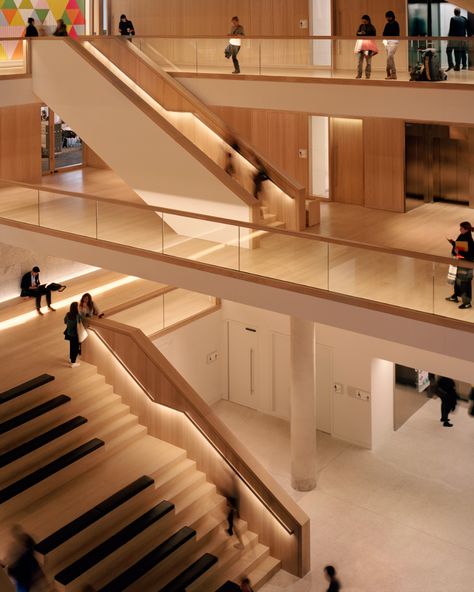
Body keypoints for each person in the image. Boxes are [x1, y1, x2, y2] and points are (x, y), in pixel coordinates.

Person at [3, 524, 46, 592]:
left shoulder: (15, 547)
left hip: (23, 575)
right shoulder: (24, 547)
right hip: (25, 575)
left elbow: (8, 562)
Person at [445, 221, 474, 309]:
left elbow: (470, 254)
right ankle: (455, 296)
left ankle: (467, 303)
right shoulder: (462, 236)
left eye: (461, 228)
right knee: (457, 280)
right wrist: (453, 243)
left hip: (466, 264)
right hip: (460, 262)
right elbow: (458, 246)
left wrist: (459, 251)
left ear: (466, 229)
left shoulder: (469, 239)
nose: (459, 229)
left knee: (465, 283)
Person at [355, 15, 377, 80]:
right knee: (359, 61)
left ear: (368, 20)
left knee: (368, 62)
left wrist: (365, 33)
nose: (363, 22)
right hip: (361, 45)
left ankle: (367, 75)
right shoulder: (361, 26)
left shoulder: (372, 27)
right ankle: (359, 75)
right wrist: (361, 33)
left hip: (368, 46)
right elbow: (357, 33)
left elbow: (374, 35)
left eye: (364, 20)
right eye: (362, 20)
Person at [64, 302, 83, 368]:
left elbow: (65, 321)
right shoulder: (78, 316)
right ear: (76, 308)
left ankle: (71, 358)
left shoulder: (68, 314)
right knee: (75, 348)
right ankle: (73, 362)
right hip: (75, 335)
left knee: (72, 347)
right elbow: (82, 322)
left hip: (69, 334)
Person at [383, 11, 400, 80]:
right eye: (387, 17)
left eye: (388, 17)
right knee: (390, 58)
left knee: (389, 57)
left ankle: (393, 73)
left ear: (392, 16)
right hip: (387, 42)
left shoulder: (396, 24)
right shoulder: (387, 24)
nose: (387, 18)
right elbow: (384, 34)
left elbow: (396, 33)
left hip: (394, 42)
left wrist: (388, 34)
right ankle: (389, 74)